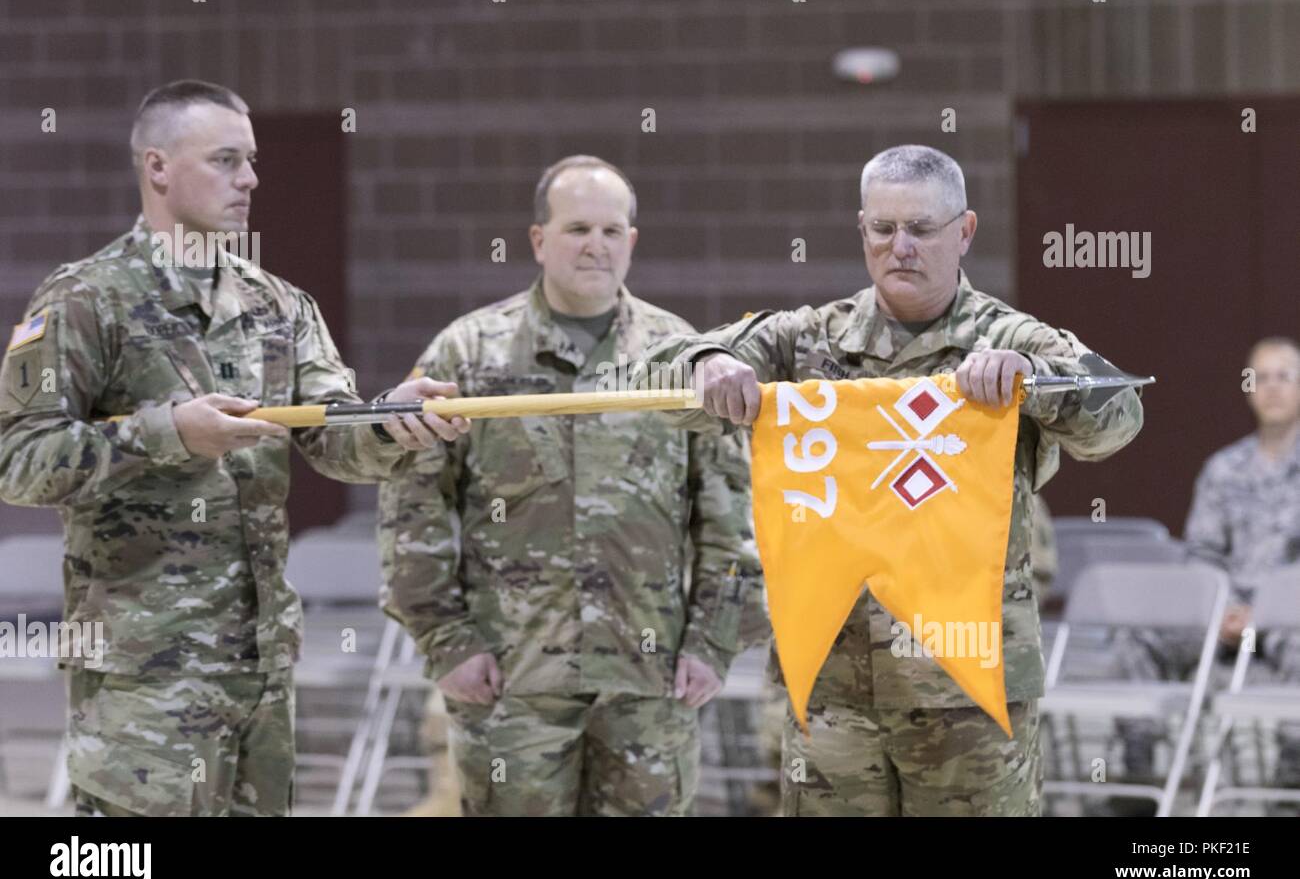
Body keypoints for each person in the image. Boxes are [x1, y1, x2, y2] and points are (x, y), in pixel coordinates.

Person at [0, 80, 469, 816]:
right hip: (144, 674)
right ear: (158, 167)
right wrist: (167, 434)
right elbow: (19, 459)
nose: (249, 179)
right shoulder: (85, 301)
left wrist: (390, 422)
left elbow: (330, 432)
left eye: (250, 161)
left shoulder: (278, 306)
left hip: (259, 665)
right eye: (225, 160)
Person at [640, 144, 1144, 816]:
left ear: (964, 232)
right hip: (832, 690)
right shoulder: (806, 340)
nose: (899, 247)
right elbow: (659, 382)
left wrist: (1031, 380)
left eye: (920, 229)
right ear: (861, 229)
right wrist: (706, 361)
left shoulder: (1009, 338)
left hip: (967, 692)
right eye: (882, 229)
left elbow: (1119, 416)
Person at [378, 155, 761, 816]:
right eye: (578, 227)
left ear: (632, 243)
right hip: (511, 681)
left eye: (613, 231)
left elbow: (731, 519)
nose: (596, 245)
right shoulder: (468, 355)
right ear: (538, 240)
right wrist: (448, 642)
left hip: (650, 683)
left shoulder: (679, 358)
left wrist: (712, 642)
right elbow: (412, 508)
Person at [1116, 336, 1300, 812]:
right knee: (1139, 635)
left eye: (1285, 375)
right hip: (1221, 623)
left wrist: (1262, 615)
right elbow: (1202, 552)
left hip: (1282, 626)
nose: (1273, 387)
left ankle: (1290, 776)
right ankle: (1138, 769)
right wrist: (1222, 612)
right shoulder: (1223, 470)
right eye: (1261, 377)